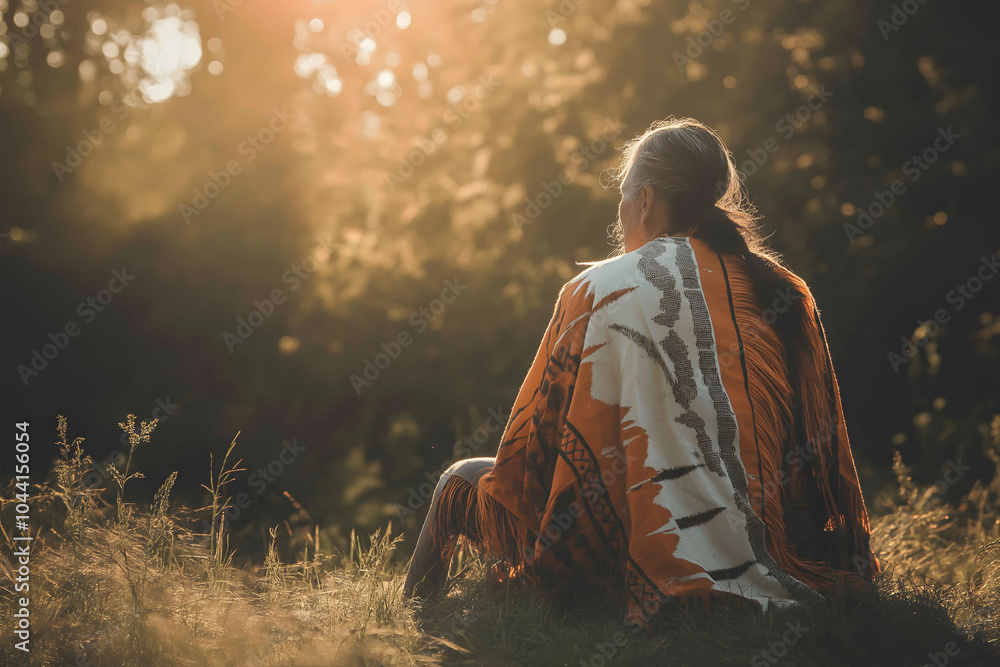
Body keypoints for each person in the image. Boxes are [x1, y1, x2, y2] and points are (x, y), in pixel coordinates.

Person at [403, 118, 879, 622]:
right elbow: (817, 446)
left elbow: (534, 458)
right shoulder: (785, 288)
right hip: (783, 539)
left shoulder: (598, 289)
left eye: (624, 195)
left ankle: (412, 623)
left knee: (458, 480)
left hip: (635, 554)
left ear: (646, 200)